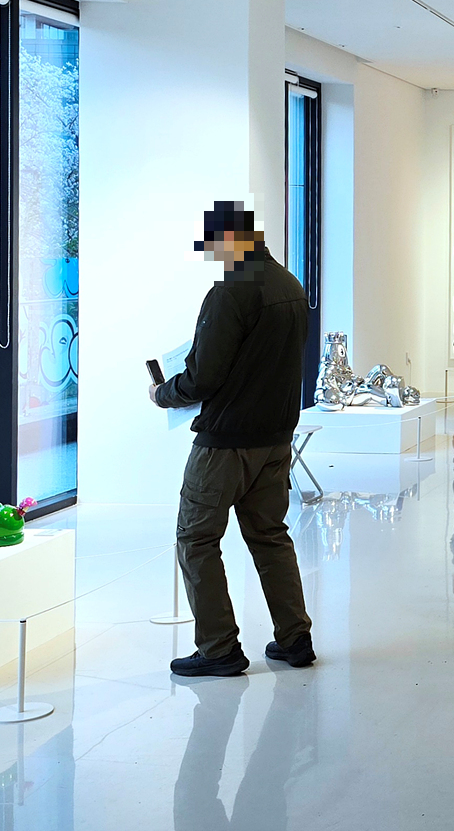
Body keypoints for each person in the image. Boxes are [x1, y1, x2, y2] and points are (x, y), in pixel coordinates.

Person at [151, 201, 316, 676]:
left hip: (225, 443)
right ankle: (295, 638)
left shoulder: (229, 292)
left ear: (229, 242)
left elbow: (203, 377)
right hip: (276, 438)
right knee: (270, 535)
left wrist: (163, 393)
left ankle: (219, 648)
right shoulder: (290, 285)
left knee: (196, 538)